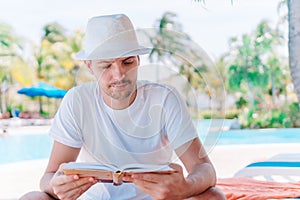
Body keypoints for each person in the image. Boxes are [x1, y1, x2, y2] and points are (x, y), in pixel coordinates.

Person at [20, 14, 225, 200]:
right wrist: (56, 186)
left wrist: (185, 188)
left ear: (138, 60)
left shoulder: (164, 98)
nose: (119, 75)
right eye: (106, 65)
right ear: (89, 66)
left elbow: (205, 169)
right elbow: (48, 176)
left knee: (213, 196)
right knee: (32, 198)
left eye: (127, 62)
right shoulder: (78, 101)